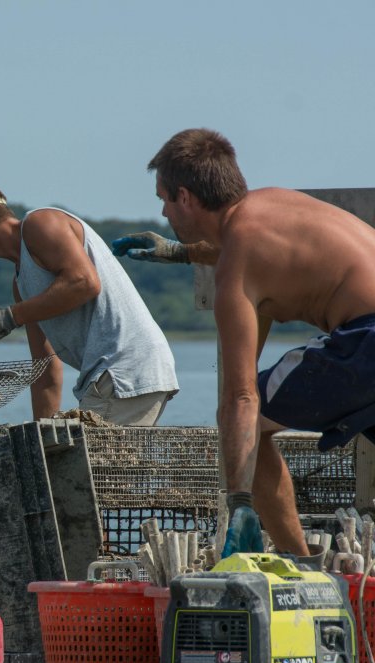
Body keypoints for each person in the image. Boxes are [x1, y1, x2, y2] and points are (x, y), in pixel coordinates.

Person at [112, 128, 375, 558]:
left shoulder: (236, 268)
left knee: (247, 419)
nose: (162, 213)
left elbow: (240, 398)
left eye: (162, 199)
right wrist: (181, 252)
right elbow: (261, 251)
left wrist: (239, 503)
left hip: (365, 341)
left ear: (185, 197)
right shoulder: (273, 203)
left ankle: (303, 564)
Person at [0, 182, 179, 423]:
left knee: (91, 464)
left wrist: (9, 317)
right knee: (73, 461)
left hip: (121, 370)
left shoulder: (40, 223)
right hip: (116, 377)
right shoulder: (20, 285)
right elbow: (45, 372)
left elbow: (85, 282)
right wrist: (41, 439)